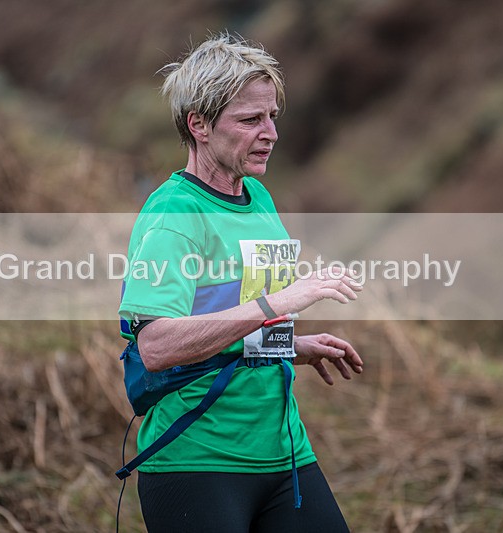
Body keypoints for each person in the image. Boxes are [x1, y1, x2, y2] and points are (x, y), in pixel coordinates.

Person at [118, 33, 363, 533]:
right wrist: (281, 301)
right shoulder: (174, 214)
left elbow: (234, 317)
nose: (270, 133)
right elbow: (156, 346)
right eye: (251, 120)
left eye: (272, 116)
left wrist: (291, 345)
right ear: (199, 125)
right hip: (196, 459)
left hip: (284, 453)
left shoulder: (259, 198)